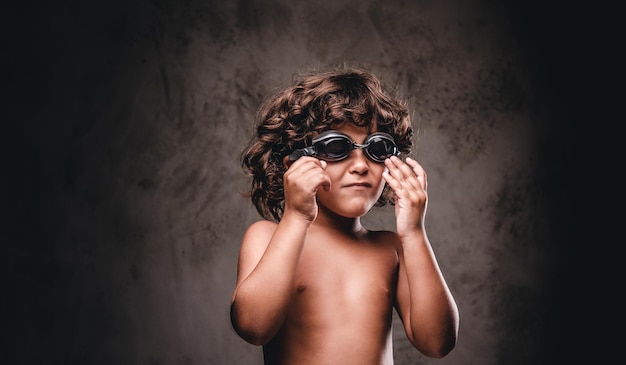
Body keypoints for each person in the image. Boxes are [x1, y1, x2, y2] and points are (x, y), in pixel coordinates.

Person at [230, 65, 459, 364]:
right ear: (294, 163)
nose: (361, 165)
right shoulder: (266, 237)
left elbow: (437, 343)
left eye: (377, 148)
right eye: (337, 146)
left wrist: (414, 233)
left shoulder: (392, 249)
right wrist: (297, 216)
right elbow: (252, 327)